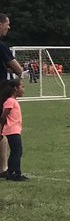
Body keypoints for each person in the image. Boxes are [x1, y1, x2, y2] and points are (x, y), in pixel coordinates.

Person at [0, 14, 24, 177]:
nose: (9, 27)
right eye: (7, 24)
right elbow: (17, 68)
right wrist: (18, 71)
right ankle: (3, 169)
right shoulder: (1, 46)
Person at [0, 79, 27, 181]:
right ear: (16, 88)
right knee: (17, 152)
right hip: (12, 131)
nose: (23, 89)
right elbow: (3, 117)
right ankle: (16, 173)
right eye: (22, 87)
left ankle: (11, 173)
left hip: (14, 130)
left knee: (15, 151)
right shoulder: (10, 101)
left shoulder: (12, 101)